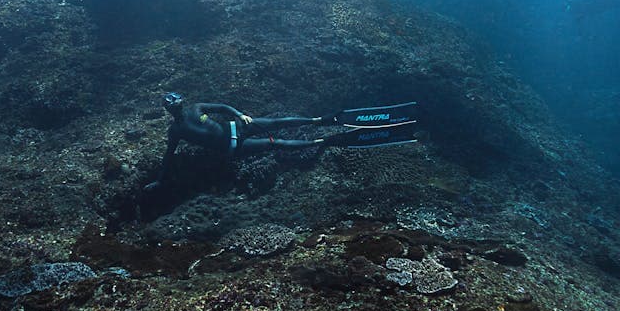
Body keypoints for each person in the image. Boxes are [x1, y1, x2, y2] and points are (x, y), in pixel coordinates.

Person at [144, 92, 418, 190]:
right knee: (276, 143)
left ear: (181, 101)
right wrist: (160, 180)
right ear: (170, 110)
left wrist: (242, 114)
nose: (176, 106)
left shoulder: (196, 108)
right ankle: (324, 141)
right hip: (233, 147)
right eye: (172, 105)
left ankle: (319, 122)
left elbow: (224, 107)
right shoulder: (175, 132)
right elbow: (168, 157)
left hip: (237, 126)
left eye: (176, 101)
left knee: (276, 124)